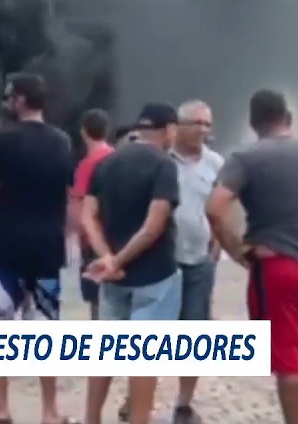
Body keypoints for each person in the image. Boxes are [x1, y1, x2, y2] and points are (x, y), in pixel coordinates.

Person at [0, 72, 77, 424]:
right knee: (46, 330)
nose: (8, 102)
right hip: (47, 250)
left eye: (10, 96)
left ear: (21, 100)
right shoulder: (62, 142)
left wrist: (2, 191)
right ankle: (50, 412)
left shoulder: (2, 142)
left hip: (4, 247)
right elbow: (69, 196)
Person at [207, 89, 298, 424]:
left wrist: (237, 249)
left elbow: (215, 207)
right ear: (288, 119)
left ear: (252, 123)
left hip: (279, 265)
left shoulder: (246, 158)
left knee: (291, 359)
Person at [81, 103, 182, 424]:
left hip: (115, 281)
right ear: (169, 130)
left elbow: (88, 215)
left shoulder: (107, 163)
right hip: (155, 277)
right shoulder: (164, 166)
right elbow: (154, 225)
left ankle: (92, 418)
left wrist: (107, 258)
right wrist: (119, 259)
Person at [167, 99, 223, 424]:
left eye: (207, 124)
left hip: (200, 261)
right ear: (179, 125)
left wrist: (217, 246)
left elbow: (223, 208)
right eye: (196, 123)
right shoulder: (162, 160)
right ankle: (137, 398)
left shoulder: (216, 163)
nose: (202, 130)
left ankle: (183, 404)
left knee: (195, 334)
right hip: (162, 261)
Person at [72, 108, 114, 320]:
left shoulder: (87, 166)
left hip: (92, 242)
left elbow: (79, 208)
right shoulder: (117, 158)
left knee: (96, 299)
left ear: (83, 132)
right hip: (116, 238)